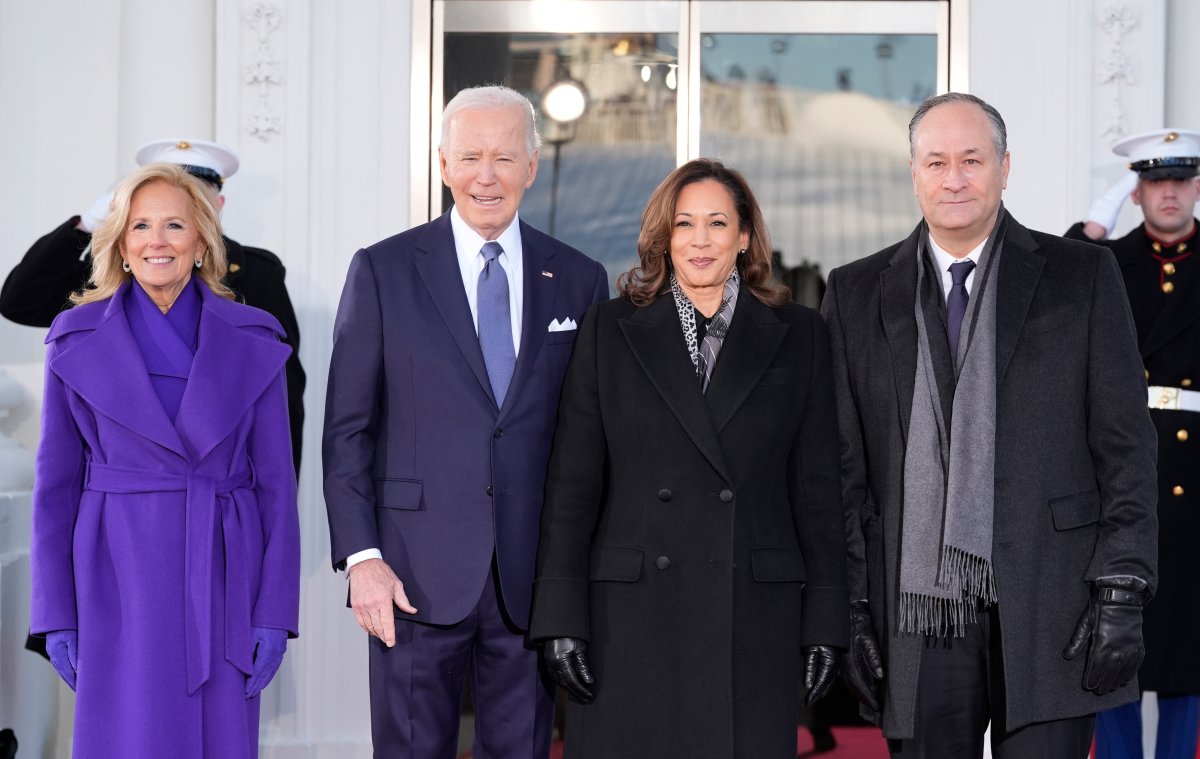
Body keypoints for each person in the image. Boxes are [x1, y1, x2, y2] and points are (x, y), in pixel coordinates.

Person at [821, 92, 1158, 759]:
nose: (954, 178)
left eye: (972, 160)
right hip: (915, 611)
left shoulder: (1081, 275)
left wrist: (1123, 586)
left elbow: (1127, 446)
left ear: (1005, 167)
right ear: (913, 170)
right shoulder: (856, 291)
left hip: (1054, 598)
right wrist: (850, 609)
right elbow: (843, 472)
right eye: (937, 161)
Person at [528, 158, 849, 758]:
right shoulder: (610, 329)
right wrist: (560, 618)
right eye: (684, 224)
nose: (700, 241)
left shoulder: (798, 333)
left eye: (718, 223)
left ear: (745, 236)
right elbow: (572, 486)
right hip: (629, 615)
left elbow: (818, 492)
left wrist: (826, 620)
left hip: (751, 615)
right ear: (663, 237)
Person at [322, 85, 608, 759]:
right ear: (444, 163)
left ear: (532, 166)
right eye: (472, 156)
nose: (488, 174)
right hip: (410, 576)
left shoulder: (579, 278)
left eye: (505, 157)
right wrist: (362, 559)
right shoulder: (383, 270)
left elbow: (590, 438)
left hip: (531, 580)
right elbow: (346, 431)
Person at [29, 162, 300, 758]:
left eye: (175, 225)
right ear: (120, 244)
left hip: (224, 573)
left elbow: (277, 485)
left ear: (202, 240)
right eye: (141, 225)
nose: (157, 240)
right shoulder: (74, 338)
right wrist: (55, 614)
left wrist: (274, 612)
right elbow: (55, 490)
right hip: (115, 577)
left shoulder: (256, 337)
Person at [0, 138, 305, 474]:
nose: (177, 196)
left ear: (217, 203)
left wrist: (279, 495)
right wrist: (87, 224)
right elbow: (20, 303)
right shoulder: (125, 267)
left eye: (195, 188)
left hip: (219, 489)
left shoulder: (256, 273)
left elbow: (282, 397)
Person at [1065, 129, 1200, 759]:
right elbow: (1050, 291)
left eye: (1180, 181)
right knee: (1113, 639)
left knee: (1188, 654)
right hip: (1120, 470)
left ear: (1196, 187)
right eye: (1153, 181)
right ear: (1138, 191)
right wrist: (1096, 222)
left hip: (1194, 478)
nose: (1168, 193)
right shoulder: (1106, 263)